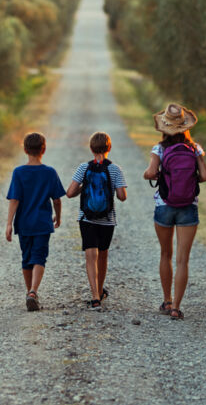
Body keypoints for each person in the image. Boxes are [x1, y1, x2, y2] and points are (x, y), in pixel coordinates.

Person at [142, 103, 206, 319]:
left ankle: (167, 300)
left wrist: (158, 174)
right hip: (189, 206)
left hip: (164, 205)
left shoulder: (159, 149)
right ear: (185, 127)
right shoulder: (195, 148)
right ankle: (177, 307)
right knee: (183, 260)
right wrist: (189, 179)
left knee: (165, 254)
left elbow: (150, 173)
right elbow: (205, 176)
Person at [66, 132, 127, 310]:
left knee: (90, 257)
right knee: (103, 255)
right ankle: (100, 290)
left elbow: (69, 193)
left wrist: (85, 187)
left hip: (86, 219)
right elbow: (122, 196)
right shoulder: (115, 169)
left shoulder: (84, 167)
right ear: (109, 148)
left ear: (91, 148)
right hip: (107, 220)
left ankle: (94, 297)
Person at [5, 132, 66, 311]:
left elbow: (14, 199)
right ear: (44, 150)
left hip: (23, 224)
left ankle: (29, 292)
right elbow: (57, 199)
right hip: (42, 223)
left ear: (25, 150)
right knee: (39, 257)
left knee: (26, 258)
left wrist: (9, 223)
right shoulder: (49, 172)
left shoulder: (19, 172)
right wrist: (59, 217)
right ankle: (33, 291)